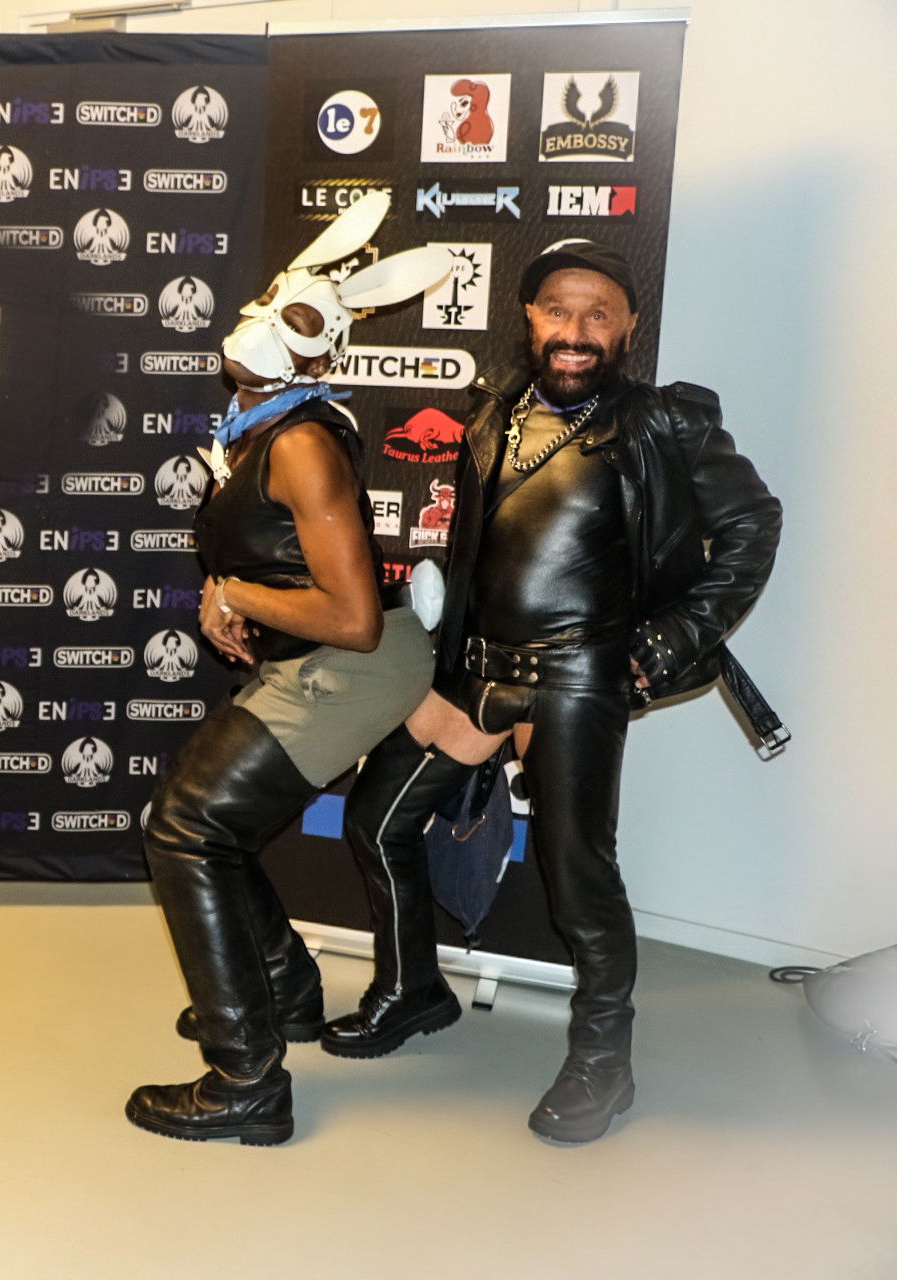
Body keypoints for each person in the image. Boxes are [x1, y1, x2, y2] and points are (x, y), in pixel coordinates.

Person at [327, 240, 780, 1143]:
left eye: (598, 314)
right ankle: (412, 990)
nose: (577, 331)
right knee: (376, 820)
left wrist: (672, 639)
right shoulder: (493, 415)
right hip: (475, 671)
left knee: (578, 878)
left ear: (628, 328)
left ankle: (604, 1061)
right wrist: (440, 666)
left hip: (579, 681)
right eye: (558, 311)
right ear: (530, 319)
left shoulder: (665, 422)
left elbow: (753, 525)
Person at [125, 190, 450, 1147]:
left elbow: (353, 619)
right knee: (201, 823)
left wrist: (236, 594)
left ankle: (246, 1080)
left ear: (323, 354)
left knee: (186, 828)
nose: (268, 320)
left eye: (299, 317)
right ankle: (285, 990)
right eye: (272, 298)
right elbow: (274, 566)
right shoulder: (256, 424)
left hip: (353, 664)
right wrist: (231, 592)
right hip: (312, 657)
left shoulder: (301, 443)